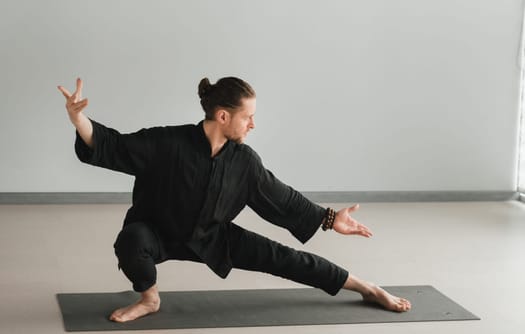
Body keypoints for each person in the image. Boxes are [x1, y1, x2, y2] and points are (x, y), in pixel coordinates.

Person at [58, 77, 411, 323]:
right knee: (131, 241)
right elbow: (113, 146)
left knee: (288, 259)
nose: (253, 125)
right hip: (157, 232)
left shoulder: (245, 162)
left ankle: (366, 287)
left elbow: (283, 199)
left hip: (213, 236)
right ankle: (149, 299)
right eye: (248, 117)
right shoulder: (167, 143)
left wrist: (332, 219)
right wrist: (79, 119)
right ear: (223, 116)